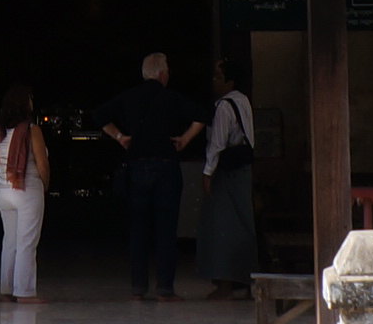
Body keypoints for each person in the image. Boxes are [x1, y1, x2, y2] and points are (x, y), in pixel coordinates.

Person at [94, 52, 202, 300]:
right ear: (163, 74)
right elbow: (201, 115)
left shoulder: (129, 96)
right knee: (166, 229)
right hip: (166, 167)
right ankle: (165, 287)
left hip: (137, 166)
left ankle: (138, 287)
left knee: (138, 229)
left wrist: (119, 137)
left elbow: (99, 115)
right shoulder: (171, 97)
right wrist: (185, 139)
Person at [194, 62, 259, 292]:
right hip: (242, 170)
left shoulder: (223, 106)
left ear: (229, 82)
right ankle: (243, 278)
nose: (214, 81)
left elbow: (217, 144)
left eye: (219, 77)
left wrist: (207, 173)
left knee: (222, 225)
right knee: (242, 222)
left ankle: (225, 282)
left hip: (227, 172)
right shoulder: (243, 101)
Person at [0, 82, 50, 303]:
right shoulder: (32, 130)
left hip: (4, 190)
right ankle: (25, 292)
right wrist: (44, 185)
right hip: (27, 190)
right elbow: (42, 163)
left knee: (10, 241)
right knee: (27, 242)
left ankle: (7, 289)